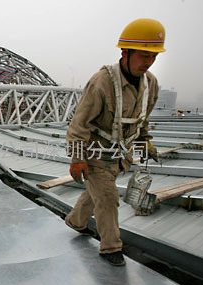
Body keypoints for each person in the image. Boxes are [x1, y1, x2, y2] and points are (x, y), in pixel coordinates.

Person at [64, 18, 166, 266]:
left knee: (97, 194)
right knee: (108, 199)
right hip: (94, 153)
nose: (148, 62)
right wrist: (77, 159)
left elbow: (143, 119)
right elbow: (79, 124)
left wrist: (146, 144)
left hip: (121, 154)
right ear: (125, 52)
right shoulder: (102, 82)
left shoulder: (150, 84)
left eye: (153, 56)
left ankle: (76, 222)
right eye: (143, 55)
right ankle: (111, 248)